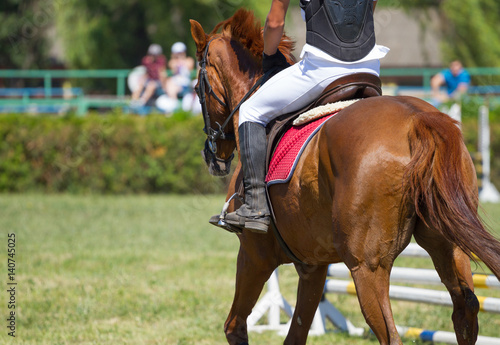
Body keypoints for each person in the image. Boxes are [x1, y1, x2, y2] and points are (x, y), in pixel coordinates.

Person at [224, 0, 389, 233]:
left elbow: (274, 23)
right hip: (370, 67)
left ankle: (256, 206)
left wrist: (269, 55)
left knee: (251, 110)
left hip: (323, 68)